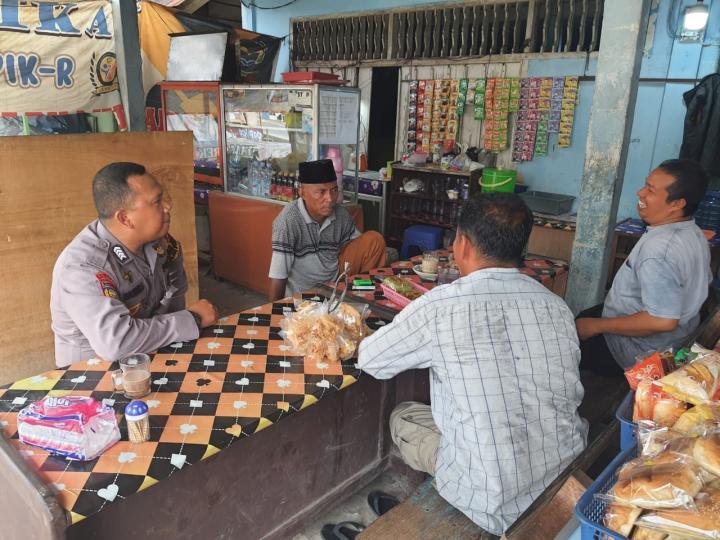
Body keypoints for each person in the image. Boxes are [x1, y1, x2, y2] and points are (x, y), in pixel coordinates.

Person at [357, 193, 587, 536]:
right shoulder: (556, 307)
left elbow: (370, 359)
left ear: (462, 244)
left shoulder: (442, 306)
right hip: (564, 474)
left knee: (404, 416)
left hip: (490, 500)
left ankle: (440, 505)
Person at [50, 162, 218, 367]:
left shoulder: (163, 245)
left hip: (148, 356)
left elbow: (173, 305)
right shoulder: (82, 268)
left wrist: (178, 324)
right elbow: (116, 343)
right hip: (91, 377)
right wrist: (192, 318)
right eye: (157, 202)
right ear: (125, 218)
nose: (168, 206)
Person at [576, 159, 711, 375]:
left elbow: (662, 320)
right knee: (582, 316)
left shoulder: (659, 252)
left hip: (638, 352)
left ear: (677, 204)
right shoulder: (694, 233)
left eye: (650, 189)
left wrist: (596, 326)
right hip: (675, 337)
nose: (640, 193)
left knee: (569, 335)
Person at [268, 159, 387, 301]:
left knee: (374, 241)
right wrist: (275, 312)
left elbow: (358, 249)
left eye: (334, 190)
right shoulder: (289, 220)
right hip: (305, 294)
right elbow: (278, 276)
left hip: (335, 283)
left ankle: (361, 299)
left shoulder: (340, 214)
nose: (330, 199)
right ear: (302, 192)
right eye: (321, 192)